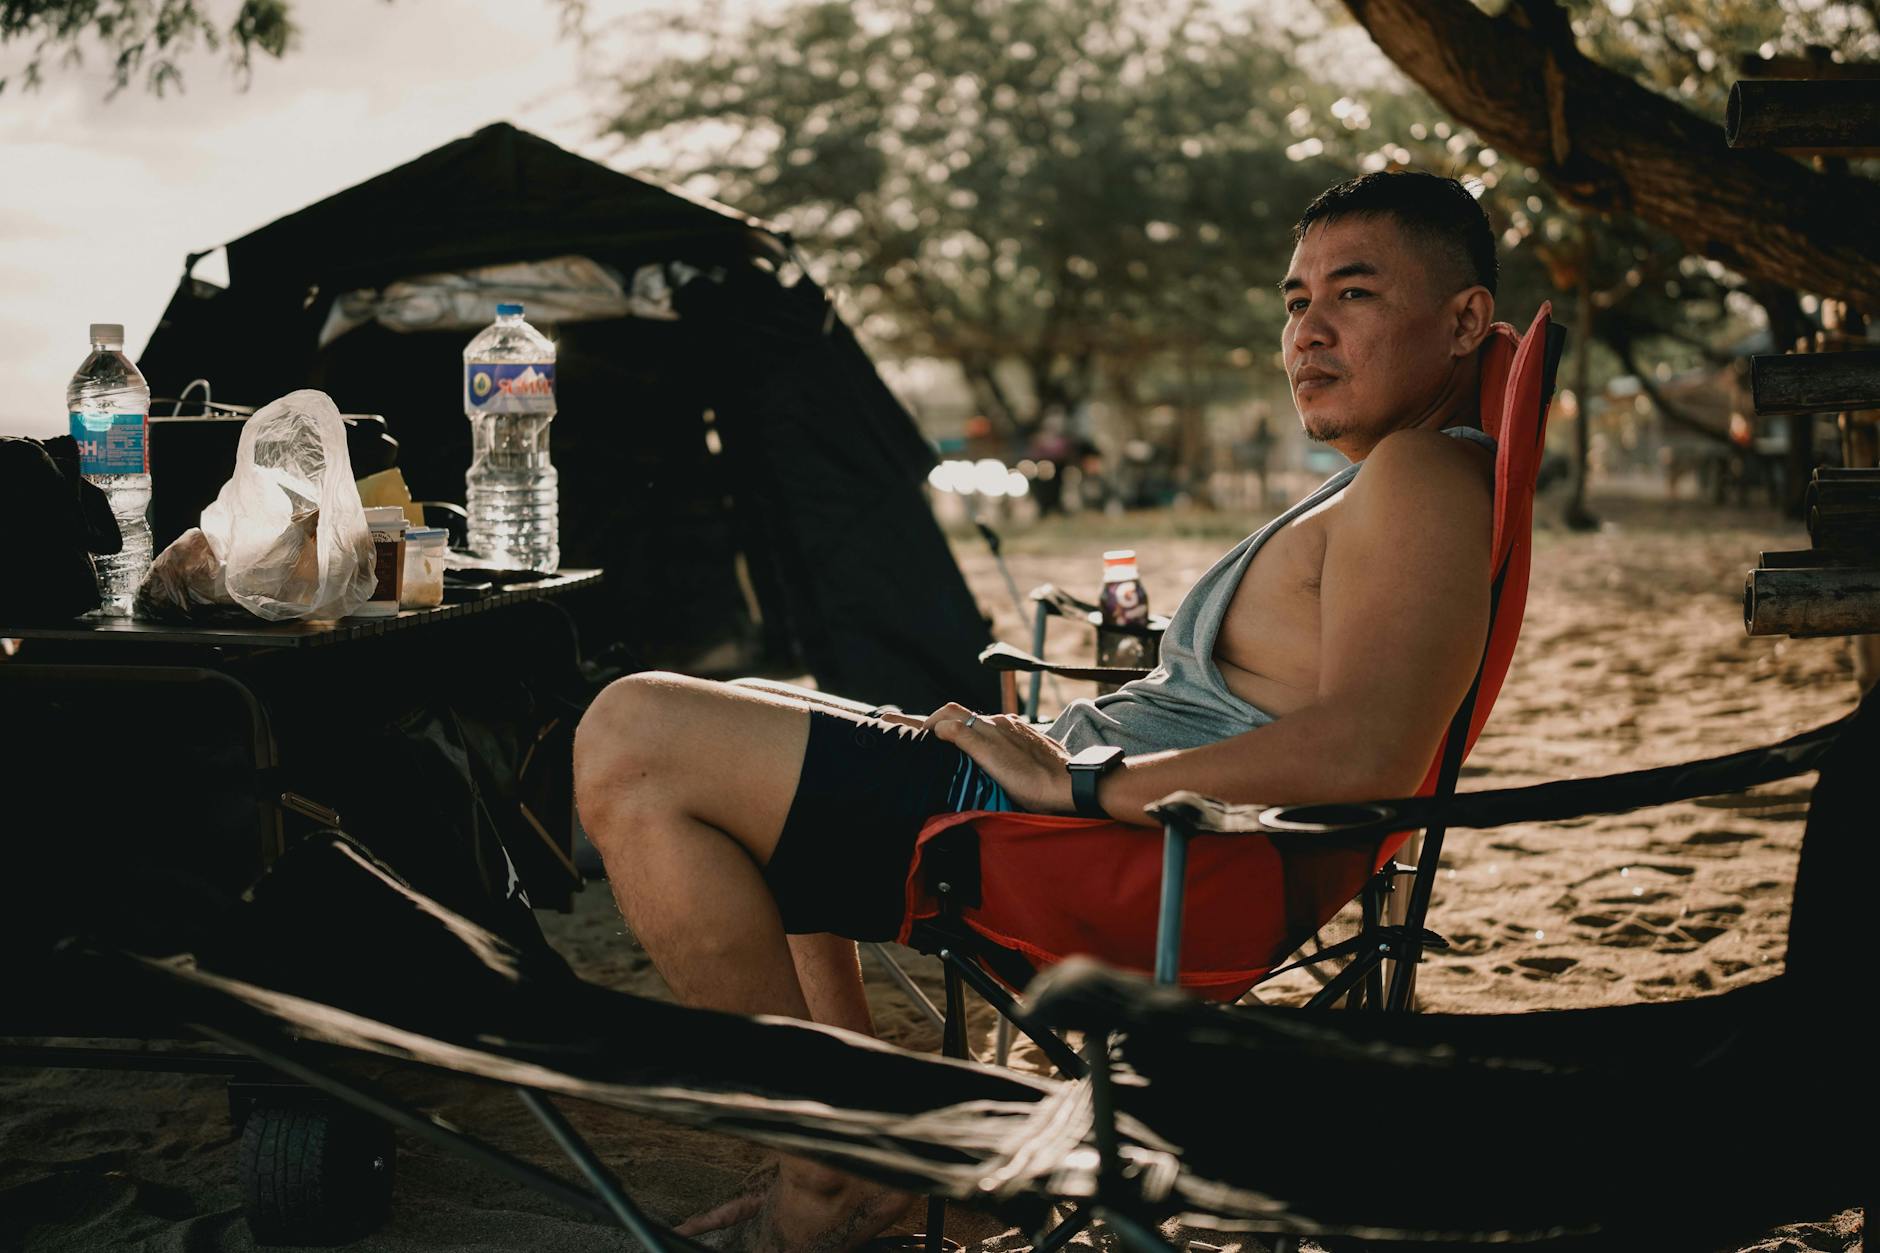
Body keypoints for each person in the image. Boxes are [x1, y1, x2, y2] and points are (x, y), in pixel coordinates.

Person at [571, 169, 1501, 1252]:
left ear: (1464, 320)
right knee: (761, 724)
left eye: (1353, 294)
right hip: (1092, 818)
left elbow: (1367, 749)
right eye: (1296, 301)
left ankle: (826, 1154)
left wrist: (1079, 780)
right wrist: (1062, 759)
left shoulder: (1420, 476)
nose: (1307, 330)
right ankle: (868, 1138)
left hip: (1110, 851)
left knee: (632, 733)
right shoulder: (1381, 480)